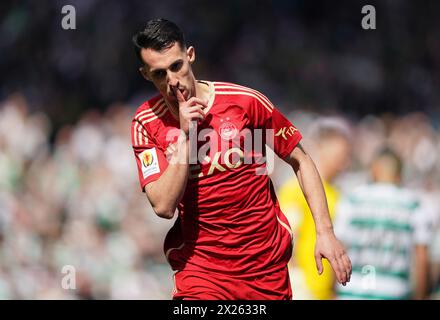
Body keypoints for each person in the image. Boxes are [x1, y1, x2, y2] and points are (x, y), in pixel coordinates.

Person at [130, 18, 351, 300]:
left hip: (264, 266)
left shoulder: (245, 103)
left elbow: (301, 160)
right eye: (159, 74)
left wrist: (325, 232)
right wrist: (186, 137)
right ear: (146, 75)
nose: (172, 81)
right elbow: (163, 205)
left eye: (176, 66)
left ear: (190, 55)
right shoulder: (146, 123)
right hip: (202, 270)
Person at [334, 148, 433, 299]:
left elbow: (337, 249)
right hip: (394, 291)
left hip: (352, 290)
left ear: (373, 170)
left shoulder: (353, 199)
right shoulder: (413, 204)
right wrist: (420, 295)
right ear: (399, 174)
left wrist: (331, 289)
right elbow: (422, 258)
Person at [278, 117, 352, 299]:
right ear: (321, 149)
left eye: (345, 157)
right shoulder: (295, 190)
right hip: (302, 290)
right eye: (338, 155)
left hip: (325, 293)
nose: (343, 163)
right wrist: (297, 283)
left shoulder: (337, 194)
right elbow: (286, 237)